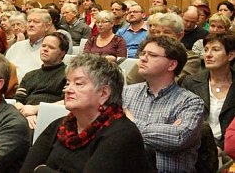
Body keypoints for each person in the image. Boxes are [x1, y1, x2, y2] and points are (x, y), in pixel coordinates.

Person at [21, 54, 154, 172]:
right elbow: (27, 169)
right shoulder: (60, 125)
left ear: (103, 93)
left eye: (78, 84)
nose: (68, 90)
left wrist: (42, 170)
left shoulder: (122, 133)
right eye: (68, 83)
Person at [123, 35, 205, 172]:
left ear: (172, 64)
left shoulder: (191, 102)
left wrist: (131, 123)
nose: (142, 58)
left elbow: (178, 137)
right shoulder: (125, 93)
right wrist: (164, 131)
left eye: (152, 55)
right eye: (143, 53)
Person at [183, 32, 235, 148]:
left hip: (229, 149)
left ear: (230, 55)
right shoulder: (190, 82)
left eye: (215, 50)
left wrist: (222, 148)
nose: (208, 55)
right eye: (206, 50)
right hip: (196, 146)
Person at [13, 32, 69, 129]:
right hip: (24, 117)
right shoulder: (30, 75)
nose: (45, 49)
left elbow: (67, 101)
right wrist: (27, 114)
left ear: (62, 53)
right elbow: (18, 101)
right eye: (43, 46)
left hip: (52, 119)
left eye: (51, 47)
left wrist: (36, 109)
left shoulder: (69, 74)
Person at [7, 9, 52, 80]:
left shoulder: (50, 49)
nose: (31, 25)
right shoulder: (16, 46)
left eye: (36, 22)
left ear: (46, 26)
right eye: (29, 21)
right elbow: (4, 70)